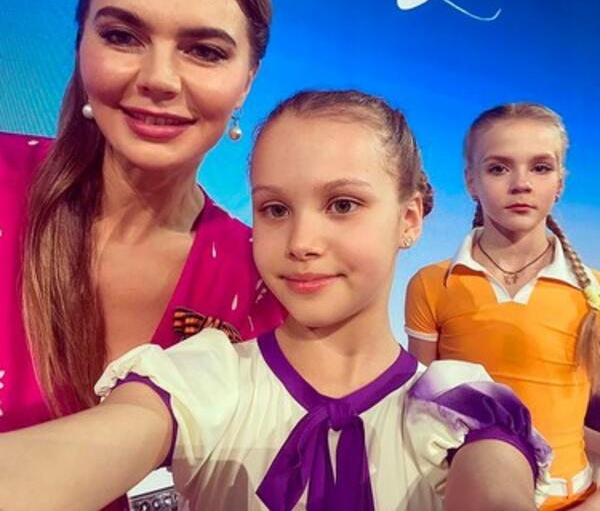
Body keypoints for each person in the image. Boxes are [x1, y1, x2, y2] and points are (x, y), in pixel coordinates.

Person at [0, 90, 552, 510]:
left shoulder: (456, 404)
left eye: (342, 205)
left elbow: (494, 484)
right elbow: (112, 434)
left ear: (409, 219)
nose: (301, 243)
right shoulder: (207, 377)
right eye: (275, 210)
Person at [0, 0, 284, 433]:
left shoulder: (265, 280)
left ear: (247, 80)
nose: (159, 79)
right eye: (122, 36)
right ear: (81, 45)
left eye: (204, 51)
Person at [405, 103, 600, 509]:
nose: (521, 184)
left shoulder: (592, 291)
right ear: (471, 182)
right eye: (498, 168)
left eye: (540, 168)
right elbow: (419, 410)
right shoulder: (433, 285)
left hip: (576, 500)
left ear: (560, 183)